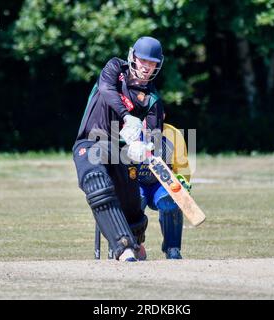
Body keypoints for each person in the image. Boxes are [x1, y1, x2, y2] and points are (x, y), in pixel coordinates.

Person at [72, 36, 165, 261]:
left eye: (152, 63)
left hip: (121, 153)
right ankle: (122, 246)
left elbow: (154, 136)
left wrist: (142, 148)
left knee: (132, 204)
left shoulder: (152, 99)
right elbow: (105, 89)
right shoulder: (115, 68)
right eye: (143, 60)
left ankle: (135, 242)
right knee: (97, 182)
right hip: (91, 142)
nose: (146, 67)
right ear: (133, 57)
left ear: (158, 65)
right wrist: (127, 116)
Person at [138, 121, 192, 259]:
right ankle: (134, 245)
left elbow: (182, 165)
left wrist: (182, 182)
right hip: (137, 182)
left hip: (162, 183)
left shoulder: (172, 133)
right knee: (134, 201)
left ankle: (172, 247)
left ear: (163, 115)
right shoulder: (130, 132)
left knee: (169, 200)